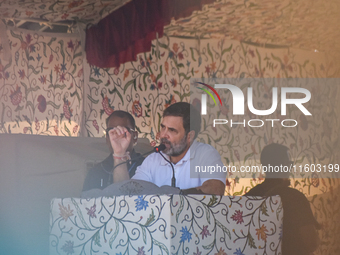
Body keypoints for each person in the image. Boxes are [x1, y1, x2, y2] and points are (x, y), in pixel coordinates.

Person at [108, 102, 226, 195]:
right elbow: (125, 194)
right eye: (163, 127)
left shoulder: (205, 154)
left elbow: (215, 189)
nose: (163, 134)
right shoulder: (153, 160)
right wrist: (119, 153)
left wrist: (171, 196)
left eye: (172, 130)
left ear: (189, 136)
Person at [245, 143, 320, 255]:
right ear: (284, 165)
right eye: (289, 163)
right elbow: (311, 243)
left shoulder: (248, 197)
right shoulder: (295, 198)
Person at [82, 111, 144, 192]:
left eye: (123, 132)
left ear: (135, 136)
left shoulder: (147, 167)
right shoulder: (96, 172)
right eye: (111, 132)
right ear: (107, 137)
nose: (117, 137)